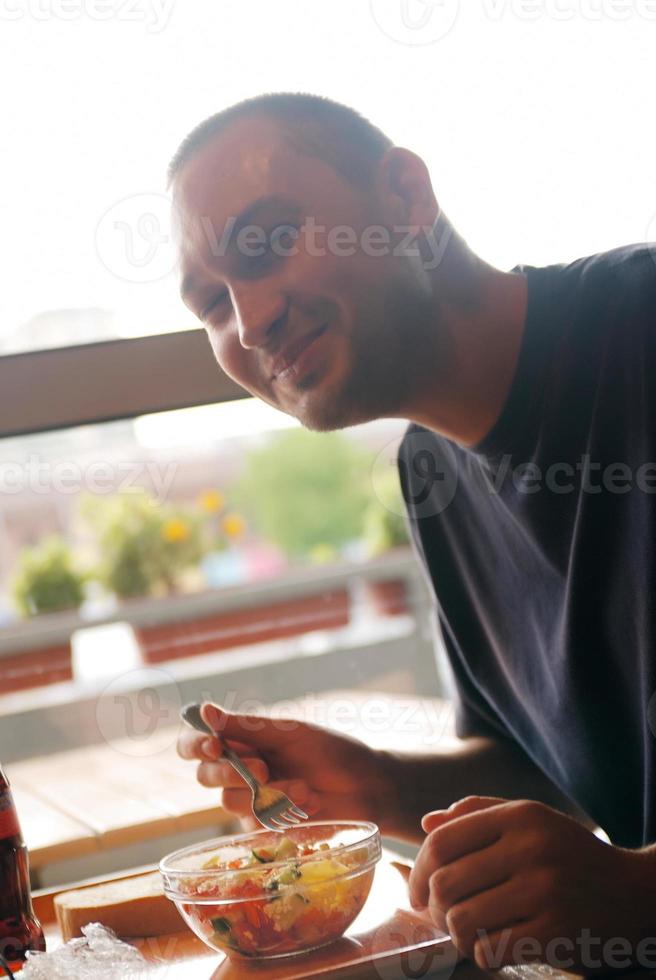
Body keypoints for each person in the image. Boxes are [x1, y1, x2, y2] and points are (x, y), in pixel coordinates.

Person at [170, 93, 656, 971]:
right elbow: (569, 772)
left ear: (405, 196)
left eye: (268, 241)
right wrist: (380, 785)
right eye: (210, 302)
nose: (249, 322)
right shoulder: (431, 471)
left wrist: (638, 896)